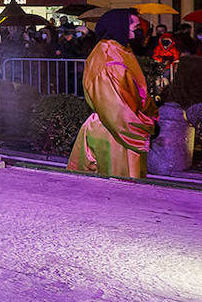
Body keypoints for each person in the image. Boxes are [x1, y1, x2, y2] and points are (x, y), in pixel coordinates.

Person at [67, 9, 158, 179]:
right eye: (134, 25)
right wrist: (142, 126)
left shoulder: (119, 50)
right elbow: (116, 107)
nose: (137, 30)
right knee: (119, 188)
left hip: (121, 129)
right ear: (120, 26)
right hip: (115, 133)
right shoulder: (107, 56)